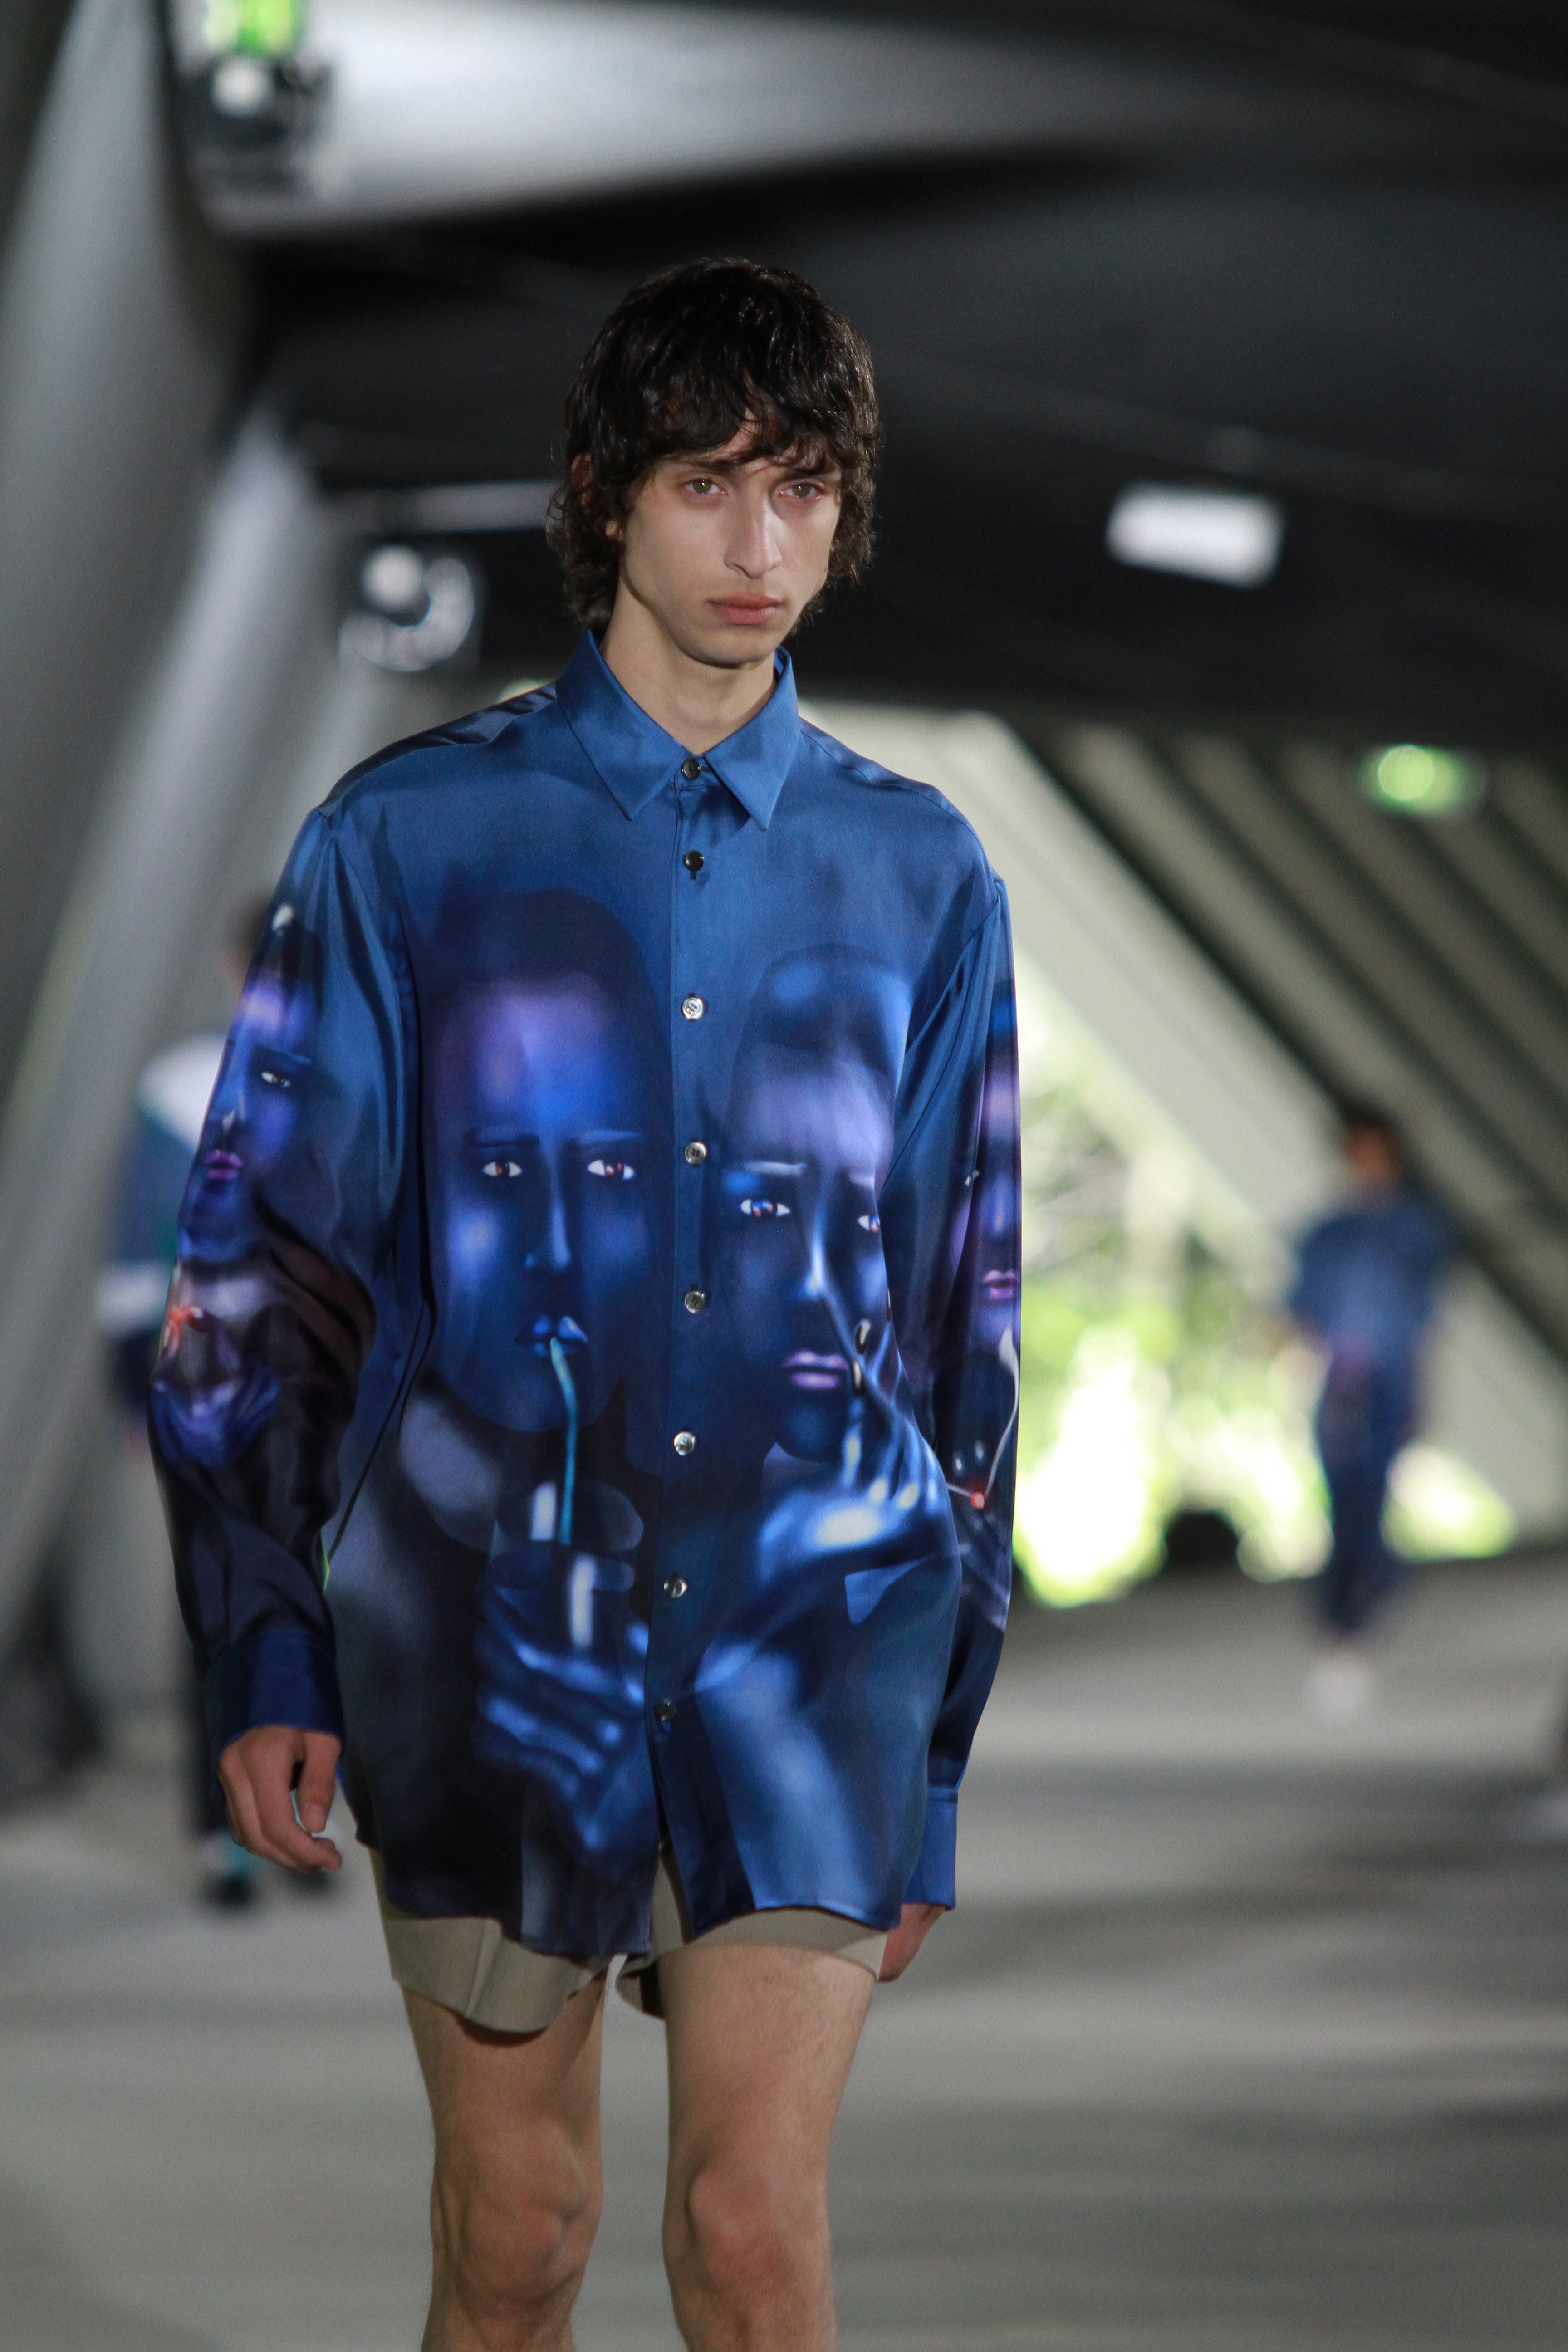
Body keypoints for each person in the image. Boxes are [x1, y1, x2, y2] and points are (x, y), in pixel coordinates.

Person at [151, 256, 1020, 2351]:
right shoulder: (406, 842)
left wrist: (935, 1757)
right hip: (486, 1631)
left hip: (814, 1631)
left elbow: (958, 1320)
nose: (760, 546)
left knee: (752, 2241)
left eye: (802, 490)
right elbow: (265, 1269)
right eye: (708, 483)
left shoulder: (925, 877)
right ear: (605, 496)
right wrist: (266, 1637)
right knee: (517, 2235)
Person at [97, 895, 277, 1906]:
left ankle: (272, 1816)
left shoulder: (369, 1084)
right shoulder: (184, 1089)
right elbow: (140, 1250)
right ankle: (230, 1830)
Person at [1289, 1103, 1455, 1715]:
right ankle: (1345, 1615)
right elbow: (1303, 1310)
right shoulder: (1330, 1232)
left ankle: (1359, 1610)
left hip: (1389, 1377)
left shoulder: (1417, 1227)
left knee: (1372, 1494)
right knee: (1342, 1496)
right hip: (1341, 1378)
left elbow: (1423, 1316)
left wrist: (1419, 1390)